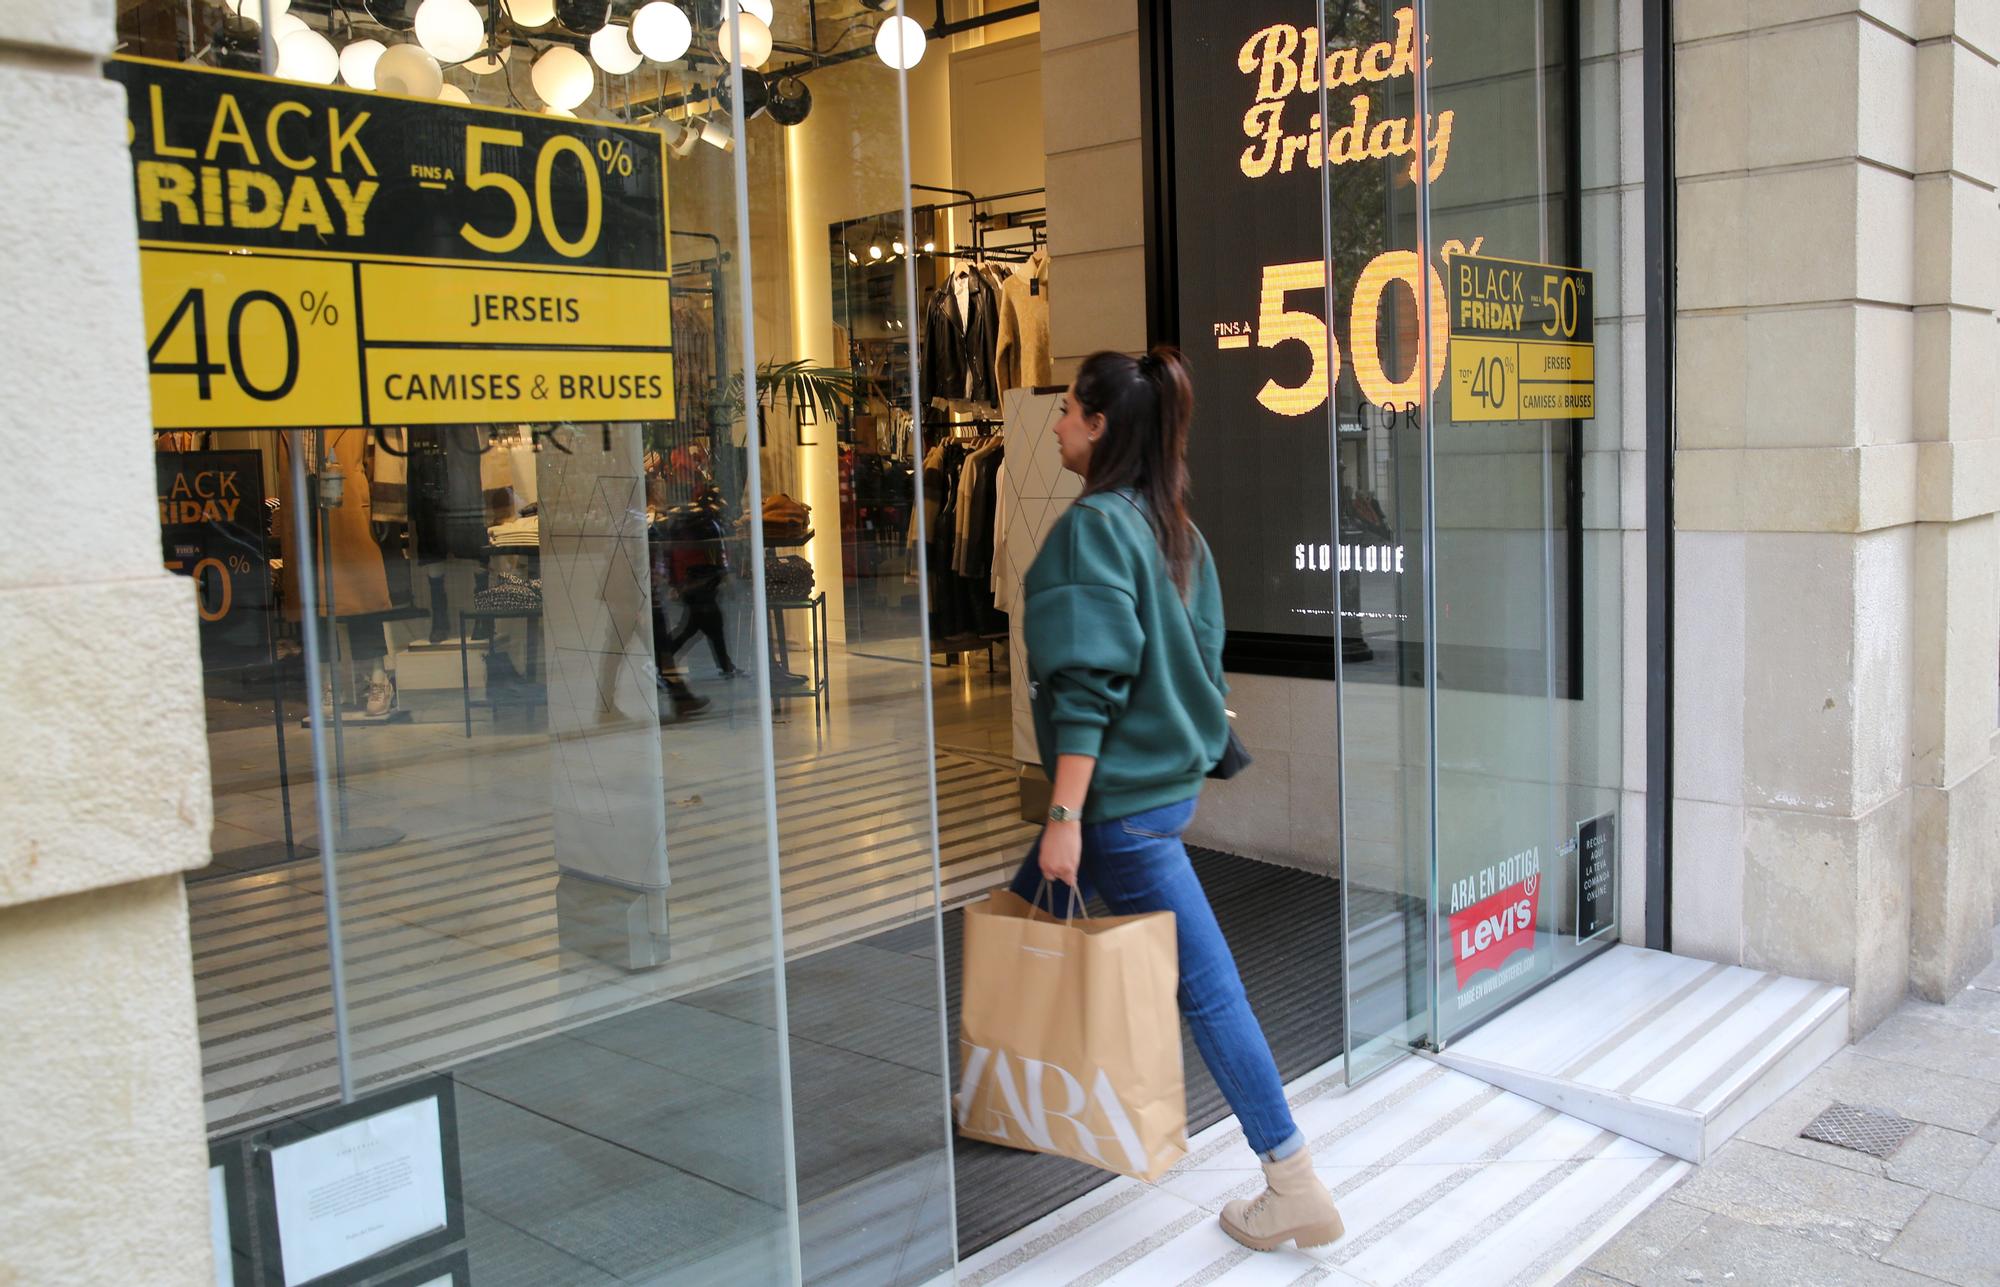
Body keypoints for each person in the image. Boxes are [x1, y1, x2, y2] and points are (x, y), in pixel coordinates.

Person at [1010, 346, 1344, 1253]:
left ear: (1103, 427)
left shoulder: (1090, 532)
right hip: (1157, 796)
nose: (1056, 422)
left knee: (1208, 989)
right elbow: (1201, 659)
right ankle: (995, 1083)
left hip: (1113, 807)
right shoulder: (1176, 531)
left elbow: (1085, 686)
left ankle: (1292, 1176)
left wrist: (1067, 814)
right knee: (1024, 917)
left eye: (1070, 411)